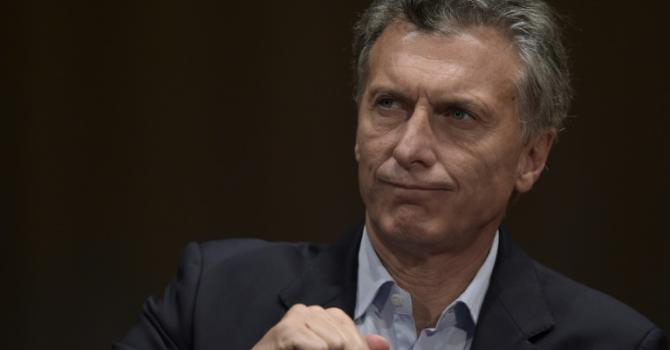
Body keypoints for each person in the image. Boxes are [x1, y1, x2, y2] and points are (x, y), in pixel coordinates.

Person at [115, 0, 667, 349]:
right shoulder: (213, 295)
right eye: (389, 105)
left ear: (532, 157)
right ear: (356, 125)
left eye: (458, 114)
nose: (410, 147)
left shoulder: (613, 340)